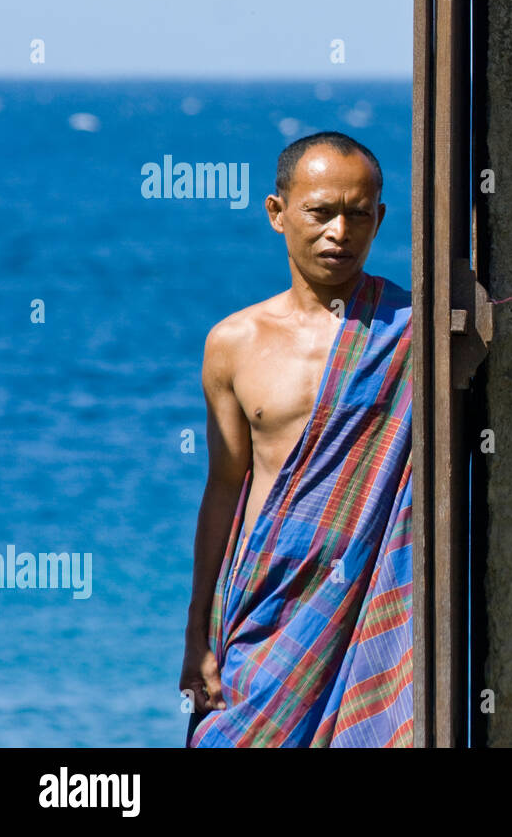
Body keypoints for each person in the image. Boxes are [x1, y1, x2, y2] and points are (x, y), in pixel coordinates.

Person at [179, 131, 413, 747]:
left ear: (379, 219)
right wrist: (196, 633)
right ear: (277, 214)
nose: (340, 231)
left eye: (358, 214)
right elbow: (225, 487)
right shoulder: (233, 342)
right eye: (321, 212)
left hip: (362, 606)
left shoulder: (412, 332)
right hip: (262, 608)